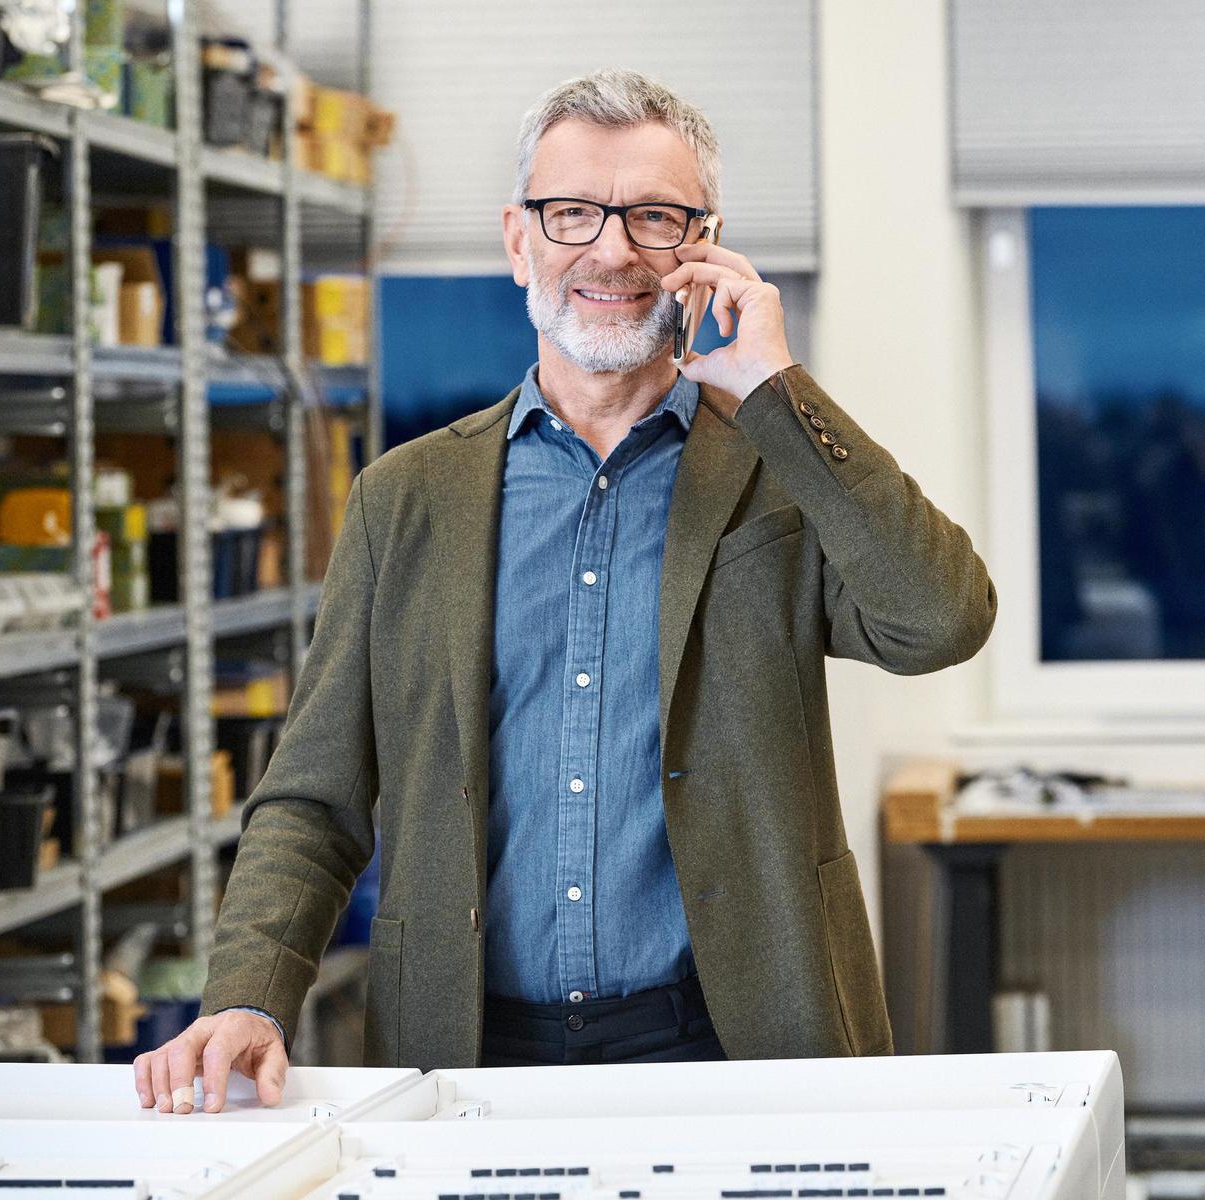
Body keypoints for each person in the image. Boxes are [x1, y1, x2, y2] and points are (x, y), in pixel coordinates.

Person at [134, 69, 995, 1114]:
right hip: (463, 1053)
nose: (613, 248)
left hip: (731, 1045)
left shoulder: (778, 475)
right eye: (573, 211)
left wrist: (777, 392)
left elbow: (939, 619)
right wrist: (249, 996)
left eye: (656, 217)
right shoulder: (405, 498)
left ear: (703, 247)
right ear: (516, 240)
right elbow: (313, 799)